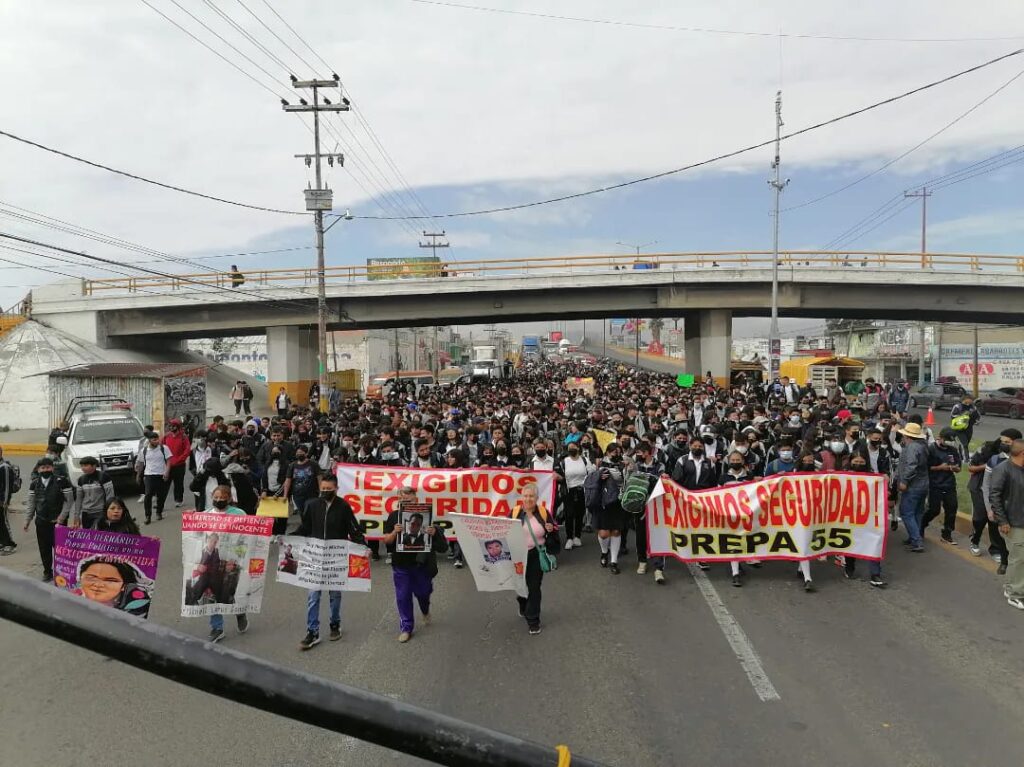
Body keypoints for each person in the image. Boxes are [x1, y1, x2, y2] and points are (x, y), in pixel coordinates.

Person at [296, 474, 365, 650]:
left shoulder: (343, 506)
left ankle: (335, 624)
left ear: (336, 489)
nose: (325, 491)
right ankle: (312, 632)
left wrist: (363, 547)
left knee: (335, 594)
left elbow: (354, 529)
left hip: (336, 557)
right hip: (315, 556)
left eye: (329, 489)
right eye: (323, 488)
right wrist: (288, 537)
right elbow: (305, 528)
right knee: (313, 595)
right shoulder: (312, 505)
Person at [382, 485, 448, 642]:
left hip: (421, 565)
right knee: (403, 596)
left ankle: (425, 610)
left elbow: (442, 546)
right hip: (400, 565)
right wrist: (394, 532)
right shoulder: (393, 516)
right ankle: (406, 627)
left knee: (423, 593)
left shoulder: (427, 516)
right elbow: (386, 540)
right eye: (402, 497)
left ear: (415, 498)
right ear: (399, 499)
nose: (405, 500)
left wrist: (434, 533)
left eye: (409, 497)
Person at [196, 485, 251, 642]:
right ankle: (217, 628)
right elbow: (197, 535)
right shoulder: (205, 515)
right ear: (211, 497)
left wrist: (238, 558)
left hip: (232, 561)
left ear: (229, 498)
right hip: (212, 562)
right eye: (216, 497)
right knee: (212, 595)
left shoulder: (239, 514)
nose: (219, 500)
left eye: (222, 498)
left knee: (230, 592)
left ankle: (240, 613)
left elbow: (245, 537)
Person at [967, 429, 1020, 573]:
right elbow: (985, 484)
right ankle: (975, 541)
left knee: (998, 526)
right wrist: (990, 508)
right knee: (981, 518)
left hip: (1007, 499)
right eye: (1002, 441)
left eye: (1007, 442)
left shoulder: (1019, 459)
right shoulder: (992, 455)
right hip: (982, 491)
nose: (1003, 444)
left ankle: (998, 551)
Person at [511, 483, 555, 635]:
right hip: (518, 555)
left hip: (536, 554)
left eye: (531, 496)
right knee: (521, 585)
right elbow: (504, 530)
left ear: (536, 498)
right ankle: (522, 602)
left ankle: (533, 621)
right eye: (525, 496)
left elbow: (553, 529)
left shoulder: (543, 512)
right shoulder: (515, 512)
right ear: (521, 497)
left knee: (534, 587)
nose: (528, 499)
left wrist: (551, 529)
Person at [22, 457, 74, 582]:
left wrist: (61, 517)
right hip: (41, 521)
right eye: (43, 467)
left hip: (58, 522)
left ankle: (62, 572)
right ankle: (47, 571)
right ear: (38, 469)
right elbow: (31, 503)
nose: (46, 470)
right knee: (44, 548)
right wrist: (27, 520)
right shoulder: (34, 484)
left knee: (60, 548)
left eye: (48, 467)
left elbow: (69, 501)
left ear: (52, 468)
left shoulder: (62, 481)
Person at [989, 439, 1024, 610]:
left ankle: (1011, 586)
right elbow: (994, 496)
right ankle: (1014, 594)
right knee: (1019, 558)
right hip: (1012, 522)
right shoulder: (1002, 469)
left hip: (1021, 519)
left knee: (1019, 558)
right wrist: (1002, 521)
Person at [922, 427, 963, 544]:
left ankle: (947, 534)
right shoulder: (931, 449)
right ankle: (921, 525)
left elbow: (958, 467)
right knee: (934, 510)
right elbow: (926, 468)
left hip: (949, 484)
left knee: (952, 509)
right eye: (947, 440)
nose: (949, 443)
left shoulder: (953, 450)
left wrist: (954, 468)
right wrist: (940, 467)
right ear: (940, 438)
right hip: (935, 484)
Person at [75, 556, 154, 616]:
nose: (98, 584)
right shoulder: (70, 603)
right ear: (80, 578)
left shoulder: (136, 615)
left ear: (124, 585)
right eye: (91, 578)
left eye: (110, 580)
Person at [896, 421, 929, 552]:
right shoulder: (923, 446)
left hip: (913, 485)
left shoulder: (912, 447)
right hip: (923, 484)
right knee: (917, 513)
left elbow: (911, 466)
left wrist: (904, 481)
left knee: (907, 513)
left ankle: (916, 540)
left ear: (906, 436)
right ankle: (914, 537)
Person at [61, 456, 114, 530]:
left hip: (100, 512)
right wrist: (76, 516)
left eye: (85, 465)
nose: (83, 468)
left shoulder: (104, 477)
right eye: (82, 466)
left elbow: (110, 496)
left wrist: (108, 513)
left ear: (94, 466)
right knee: (88, 535)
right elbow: (79, 499)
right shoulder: (81, 480)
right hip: (86, 513)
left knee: (99, 533)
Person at [559, 440, 592, 550]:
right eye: (569, 448)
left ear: (578, 448)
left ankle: (577, 536)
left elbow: (591, 473)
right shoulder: (564, 461)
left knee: (579, 513)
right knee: (569, 514)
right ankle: (569, 538)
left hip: (582, 490)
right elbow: (561, 476)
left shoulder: (585, 460)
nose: (571, 449)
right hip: (569, 491)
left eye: (573, 447)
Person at [135, 431, 172, 524]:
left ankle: (159, 512)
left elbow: (169, 461)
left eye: (157, 439)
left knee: (161, 495)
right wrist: (138, 475)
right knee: (148, 495)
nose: (156, 441)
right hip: (149, 475)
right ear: (149, 440)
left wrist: (167, 472)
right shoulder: (144, 451)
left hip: (161, 474)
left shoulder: (164, 448)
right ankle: (148, 516)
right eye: (154, 440)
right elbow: (141, 464)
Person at [162, 418, 192, 509]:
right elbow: (161, 447)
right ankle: (160, 503)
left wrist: (179, 459)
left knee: (178, 484)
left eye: (173, 426)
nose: (171, 427)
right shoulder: (166, 436)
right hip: (168, 465)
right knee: (164, 484)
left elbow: (187, 450)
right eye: (170, 426)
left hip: (179, 465)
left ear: (178, 427)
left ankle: (179, 500)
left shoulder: (183, 437)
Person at [0, 446, 19, 554]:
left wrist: (5, 501)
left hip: (2, 501)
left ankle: (10, 544)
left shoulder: (5, 467)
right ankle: (2, 542)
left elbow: (7, 487)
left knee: (4, 521)